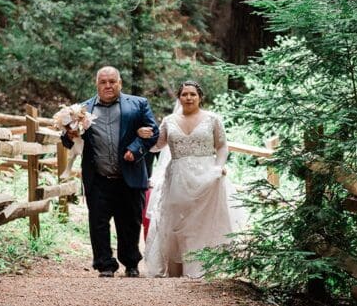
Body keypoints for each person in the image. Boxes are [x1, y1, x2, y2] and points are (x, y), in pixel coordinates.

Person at [61, 66, 159, 277]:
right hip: (98, 177)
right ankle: (105, 264)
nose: (108, 85)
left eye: (112, 81)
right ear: (97, 84)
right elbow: (67, 140)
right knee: (98, 223)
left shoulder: (138, 104)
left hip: (129, 176)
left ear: (119, 83)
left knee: (130, 223)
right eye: (103, 82)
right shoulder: (82, 109)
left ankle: (131, 263)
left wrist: (135, 149)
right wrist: (69, 135)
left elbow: (153, 132)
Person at [144, 80, 243, 278]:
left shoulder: (212, 119)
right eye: (184, 94)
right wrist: (144, 136)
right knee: (176, 220)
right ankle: (176, 270)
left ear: (200, 97)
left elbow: (222, 146)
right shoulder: (169, 121)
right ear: (179, 97)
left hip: (206, 175)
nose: (188, 98)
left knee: (202, 222)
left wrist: (219, 166)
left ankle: (200, 269)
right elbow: (157, 145)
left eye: (192, 94)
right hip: (178, 176)